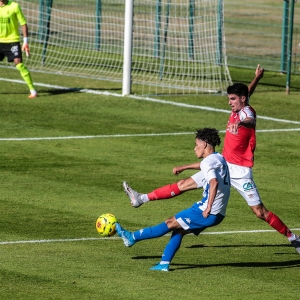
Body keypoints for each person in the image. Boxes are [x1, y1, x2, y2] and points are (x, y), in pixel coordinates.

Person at [122, 65, 300, 254]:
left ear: (241, 99)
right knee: (183, 184)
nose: (230, 103)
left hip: (240, 171)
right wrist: (257, 78)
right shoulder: (239, 106)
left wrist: (239, 123)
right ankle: (140, 198)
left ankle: (294, 239)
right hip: (223, 164)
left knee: (260, 212)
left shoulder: (246, 114)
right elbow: (246, 95)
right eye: (229, 99)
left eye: (233, 99)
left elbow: (251, 120)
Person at [117, 128, 230, 271]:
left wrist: (208, 207)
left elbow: (214, 182)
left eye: (197, 145)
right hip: (219, 214)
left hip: (207, 211)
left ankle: (131, 237)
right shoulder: (219, 159)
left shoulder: (208, 163)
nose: (194, 148)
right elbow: (204, 166)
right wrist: (184, 167)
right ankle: (164, 264)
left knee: (170, 223)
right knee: (179, 230)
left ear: (205, 144)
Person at [0, 0, 37, 98]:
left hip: (12, 40)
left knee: (19, 63)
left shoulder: (14, 6)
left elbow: (23, 23)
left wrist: (25, 41)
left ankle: (32, 90)